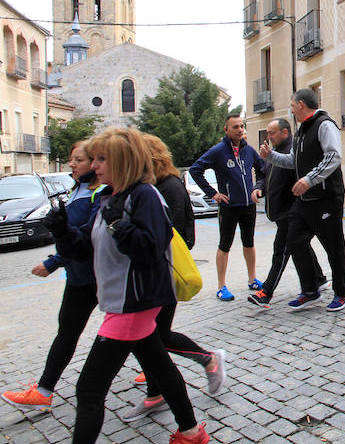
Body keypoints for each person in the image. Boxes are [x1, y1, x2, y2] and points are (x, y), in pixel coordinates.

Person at [55, 128, 208, 443]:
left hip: (134, 303)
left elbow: (149, 249)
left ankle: (192, 432)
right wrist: (62, 232)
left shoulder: (144, 196)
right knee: (159, 365)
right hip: (126, 302)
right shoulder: (110, 197)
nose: (93, 166)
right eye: (93, 159)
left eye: (101, 159)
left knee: (88, 388)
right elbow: (85, 246)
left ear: (122, 161)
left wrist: (117, 225)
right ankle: (191, 432)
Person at [121, 134, 227, 422]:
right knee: (149, 337)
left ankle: (207, 360)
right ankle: (157, 392)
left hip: (163, 274)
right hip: (154, 274)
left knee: (154, 336)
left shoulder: (166, 188)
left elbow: (175, 236)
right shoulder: (156, 186)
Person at [1, 142, 107, 412]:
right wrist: (57, 258)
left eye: (78, 160)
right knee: (69, 331)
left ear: (95, 163)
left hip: (98, 276)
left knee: (138, 337)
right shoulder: (76, 188)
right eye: (72, 160)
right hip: (79, 276)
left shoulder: (99, 193)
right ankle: (44, 389)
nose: (72, 164)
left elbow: (87, 238)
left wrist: (54, 260)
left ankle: (181, 372)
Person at [260, 89, 345, 311]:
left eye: (292, 106)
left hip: (326, 197)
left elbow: (334, 156)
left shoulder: (324, 124)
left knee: (333, 246)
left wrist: (309, 179)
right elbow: (294, 160)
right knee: (294, 241)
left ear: (301, 104)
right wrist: (270, 156)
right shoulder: (302, 130)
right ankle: (310, 290)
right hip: (305, 200)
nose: (291, 110)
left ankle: (343, 292)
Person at [248, 118, 327, 308]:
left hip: (290, 215)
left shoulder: (293, 153)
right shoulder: (273, 153)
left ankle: (266, 293)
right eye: (268, 133)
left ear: (285, 132)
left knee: (280, 252)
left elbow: (303, 181)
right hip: (279, 214)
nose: (269, 137)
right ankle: (319, 278)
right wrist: (259, 187)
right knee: (300, 246)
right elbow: (265, 176)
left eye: (272, 133)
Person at [189, 114, 265, 301]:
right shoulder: (218, 151)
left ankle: (252, 279)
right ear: (226, 130)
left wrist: (258, 188)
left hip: (248, 205)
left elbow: (262, 170)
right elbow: (195, 170)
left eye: (241, 126)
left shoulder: (249, 151)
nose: (240, 130)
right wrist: (213, 193)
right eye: (235, 127)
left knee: (249, 242)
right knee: (225, 244)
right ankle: (221, 286)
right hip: (229, 206)